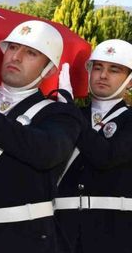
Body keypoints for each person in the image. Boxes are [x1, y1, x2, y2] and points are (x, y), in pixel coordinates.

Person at [0, 20, 83, 253]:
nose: (15, 57)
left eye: (30, 53)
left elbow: (46, 152)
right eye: (12, 48)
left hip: (25, 240)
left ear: (48, 69)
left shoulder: (60, 113)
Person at [55, 39, 132, 253]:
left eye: (114, 70)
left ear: (130, 80)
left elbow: (106, 156)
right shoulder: (73, 114)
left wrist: (69, 112)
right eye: (97, 68)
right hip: (63, 232)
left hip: (114, 234)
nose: (103, 75)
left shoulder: (128, 120)